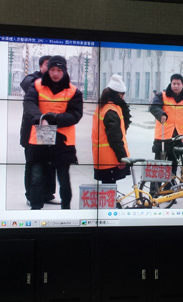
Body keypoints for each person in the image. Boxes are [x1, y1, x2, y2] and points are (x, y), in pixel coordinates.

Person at [24, 55, 83, 209]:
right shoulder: (37, 86)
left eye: (59, 70)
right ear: (48, 70)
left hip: (63, 140)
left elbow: (75, 115)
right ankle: (35, 210)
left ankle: (65, 210)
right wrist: (40, 118)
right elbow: (29, 105)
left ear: (64, 71)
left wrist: (52, 119)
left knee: (64, 179)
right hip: (40, 137)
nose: (55, 73)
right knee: (36, 177)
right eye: (52, 69)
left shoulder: (74, 91)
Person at [20, 55, 60, 206]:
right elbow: (26, 83)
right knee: (33, 165)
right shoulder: (32, 80)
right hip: (32, 130)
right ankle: (31, 196)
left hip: (48, 130)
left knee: (49, 164)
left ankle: (47, 194)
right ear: (41, 66)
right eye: (48, 65)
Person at [149, 73, 183, 174]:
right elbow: (154, 107)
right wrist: (161, 114)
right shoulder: (162, 95)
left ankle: (171, 184)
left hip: (178, 138)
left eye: (178, 84)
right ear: (171, 83)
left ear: (182, 85)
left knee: (173, 167)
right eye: (174, 83)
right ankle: (155, 185)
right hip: (163, 137)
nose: (176, 86)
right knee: (158, 167)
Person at [92, 75, 132, 184]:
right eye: (123, 94)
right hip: (111, 159)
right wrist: (122, 157)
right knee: (109, 187)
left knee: (108, 188)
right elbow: (115, 138)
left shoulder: (103, 107)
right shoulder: (111, 110)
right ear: (119, 94)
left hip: (103, 158)